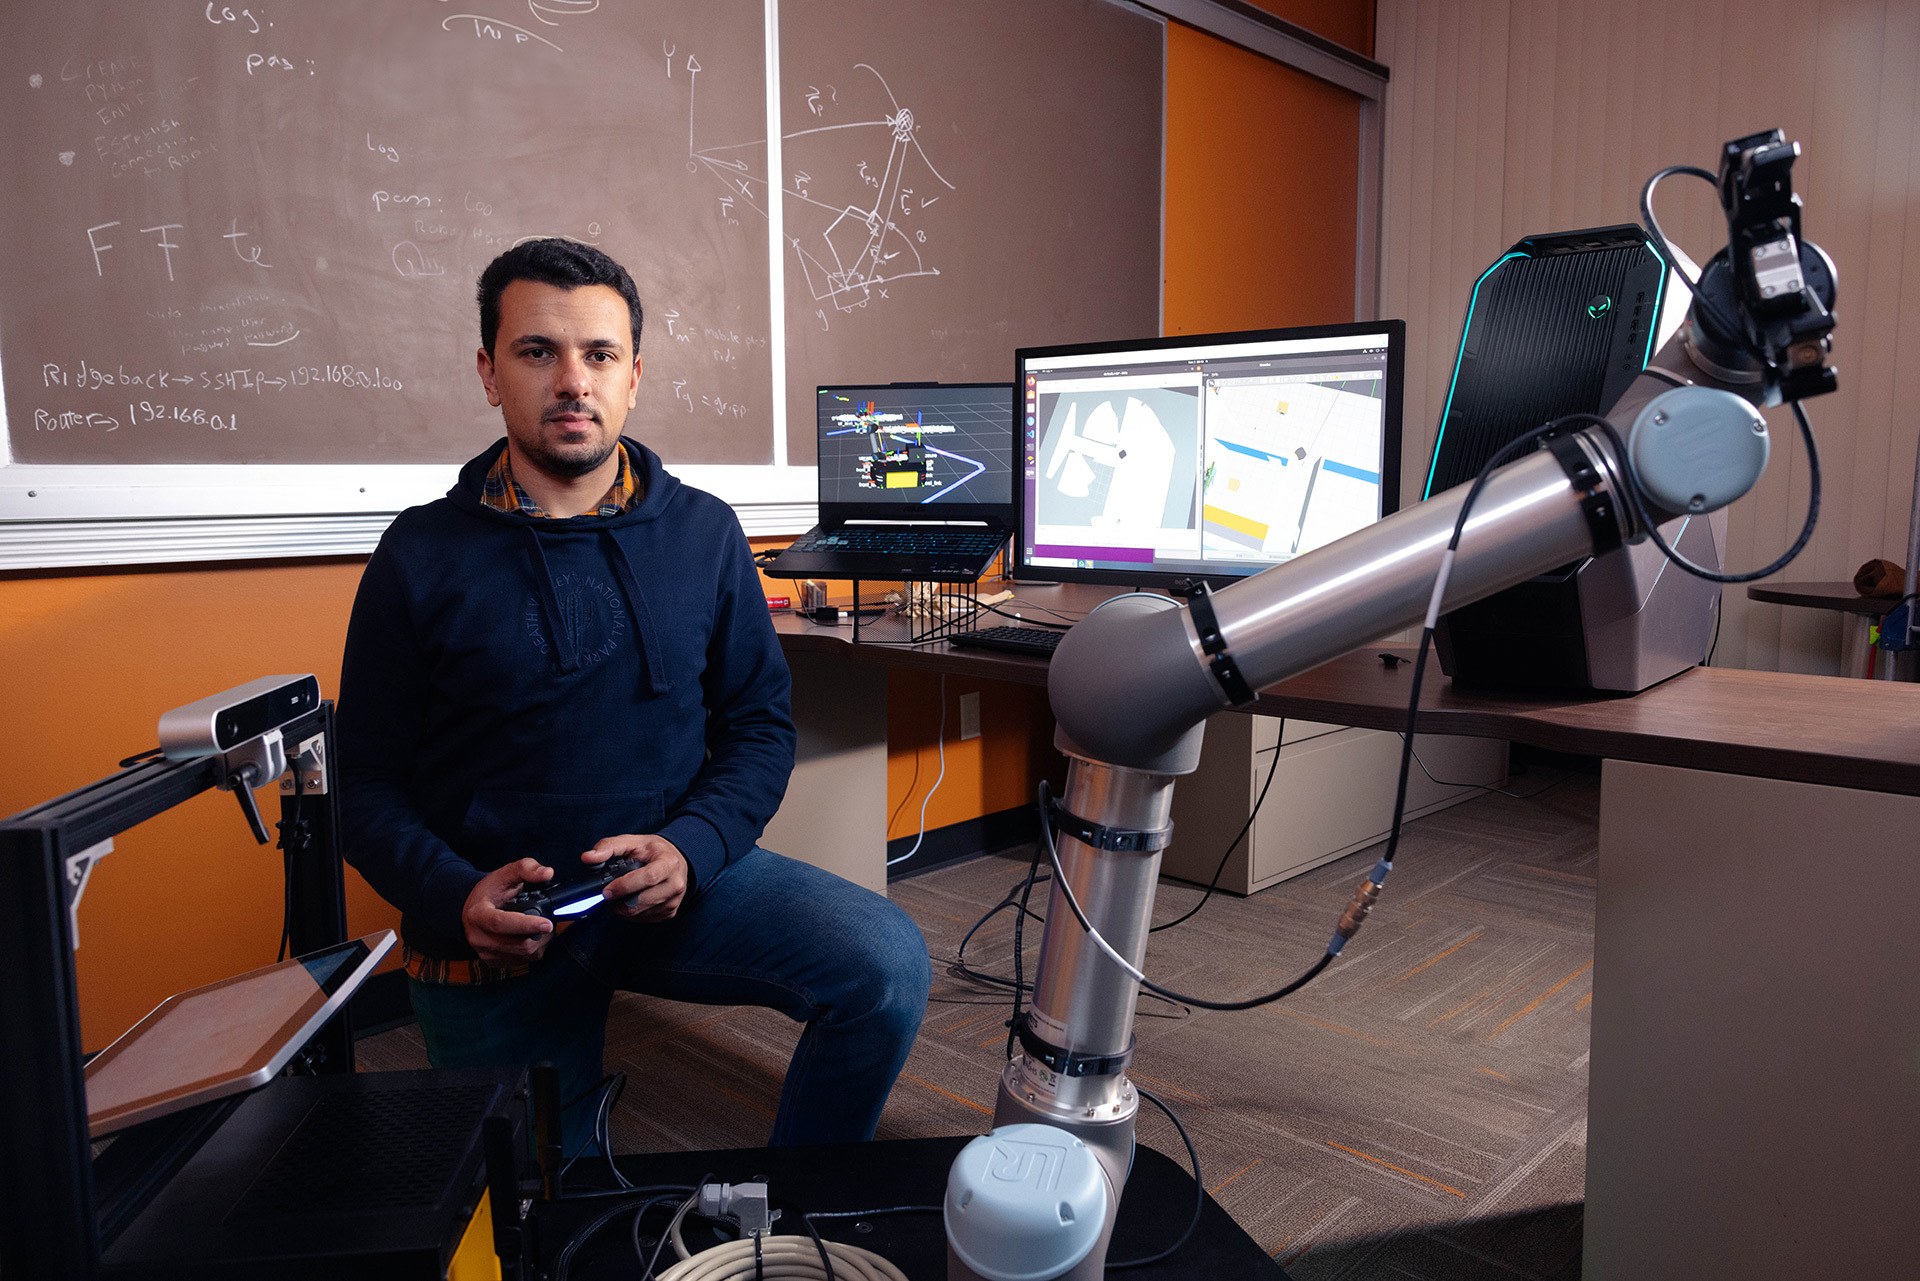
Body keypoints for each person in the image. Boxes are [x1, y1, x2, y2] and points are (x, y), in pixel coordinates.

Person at [338, 237, 930, 1150]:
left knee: (885, 964)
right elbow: (366, 784)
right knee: (542, 1214)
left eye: (599, 355)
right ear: (490, 373)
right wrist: (457, 893)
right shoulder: (419, 555)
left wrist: (692, 850)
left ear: (635, 376)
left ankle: (798, 1211)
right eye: (538, 352)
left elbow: (760, 728)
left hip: (670, 886)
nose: (572, 380)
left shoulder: (704, 533)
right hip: (498, 925)